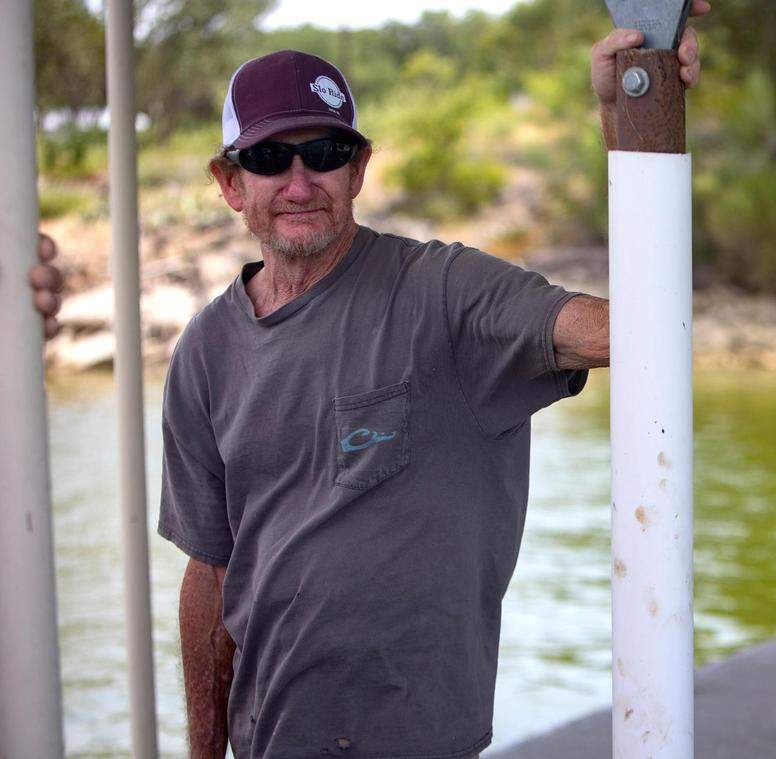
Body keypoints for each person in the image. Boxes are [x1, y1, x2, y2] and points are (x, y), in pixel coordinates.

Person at [161, 10, 706, 759]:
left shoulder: (444, 293)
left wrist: (633, 120)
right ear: (230, 182)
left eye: (324, 152)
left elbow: (634, 330)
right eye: (267, 158)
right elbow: (211, 572)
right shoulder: (203, 351)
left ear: (357, 169)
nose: (299, 181)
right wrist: (202, 751)